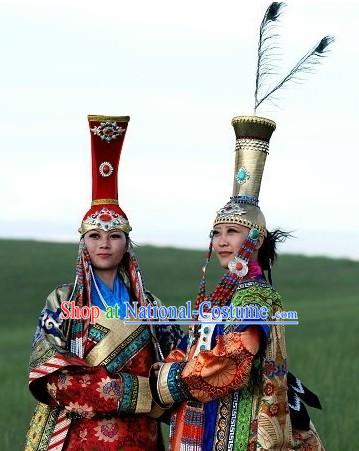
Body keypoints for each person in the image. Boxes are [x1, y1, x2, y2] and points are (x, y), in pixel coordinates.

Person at [150, 115, 324, 450]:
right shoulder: (224, 296)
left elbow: (235, 359)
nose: (221, 240)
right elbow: (196, 347)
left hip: (238, 426)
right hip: (201, 420)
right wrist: (173, 361)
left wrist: (171, 379)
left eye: (232, 231)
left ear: (255, 239)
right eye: (216, 232)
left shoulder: (255, 295)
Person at [25, 115, 182, 451]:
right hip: (80, 438)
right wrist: (138, 392)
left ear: (127, 243)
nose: (104, 244)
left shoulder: (150, 306)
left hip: (142, 439)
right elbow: (53, 378)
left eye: (114, 236)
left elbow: (181, 365)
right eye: (94, 236)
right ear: (84, 244)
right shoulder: (62, 301)